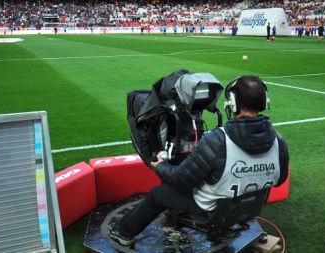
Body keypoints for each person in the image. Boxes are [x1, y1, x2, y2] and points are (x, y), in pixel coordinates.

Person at [108, 75, 290, 247]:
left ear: (232, 103)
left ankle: (122, 232)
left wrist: (161, 166)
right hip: (250, 207)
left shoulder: (218, 141)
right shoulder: (279, 140)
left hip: (213, 209)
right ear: (265, 102)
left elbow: (180, 180)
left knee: (159, 193)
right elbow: (280, 180)